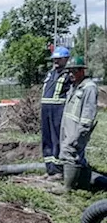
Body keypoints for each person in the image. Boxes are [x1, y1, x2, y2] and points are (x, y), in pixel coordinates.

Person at [58, 57, 97, 180]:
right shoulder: (74, 86)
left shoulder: (89, 87)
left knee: (70, 153)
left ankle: (68, 189)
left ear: (82, 71)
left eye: (74, 71)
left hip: (77, 129)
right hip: (68, 127)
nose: (71, 74)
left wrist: (81, 132)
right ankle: (83, 183)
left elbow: (88, 113)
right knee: (75, 155)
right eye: (69, 71)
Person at [40, 46, 72, 176]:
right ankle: (50, 168)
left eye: (59, 59)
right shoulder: (51, 73)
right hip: (46, 109)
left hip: (58, 110)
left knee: (57, 138)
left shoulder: (69, 75)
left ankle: (58, 169)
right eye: (54, 59)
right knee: (46, 138)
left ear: (66, 59)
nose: (56, 61)